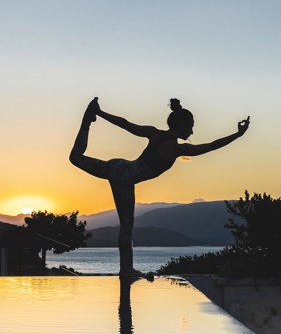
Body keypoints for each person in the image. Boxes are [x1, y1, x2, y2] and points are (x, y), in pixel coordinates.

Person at [69, 96, 250, 279]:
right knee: (126, 226)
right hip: (124, 177)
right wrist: (238, 135)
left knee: (75, 158)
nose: (192, 130)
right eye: (191, 125)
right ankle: (126, 270)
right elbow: (211, 146)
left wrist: (100, 112)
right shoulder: (176, 148)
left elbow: (125, 124)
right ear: (181, 124)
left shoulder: (154, 133)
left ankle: (88, 119)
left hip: (119, 166)